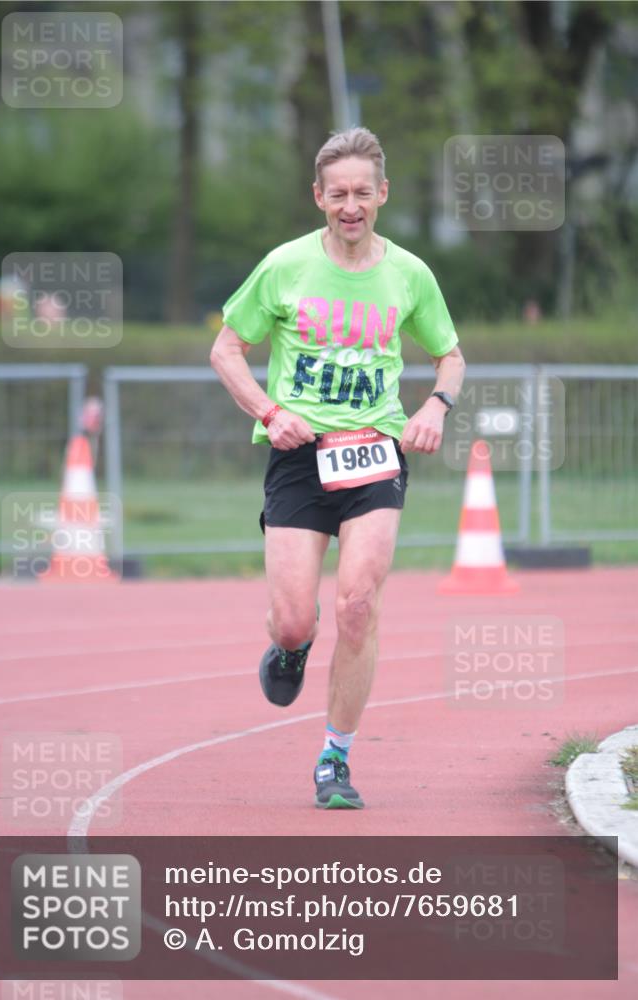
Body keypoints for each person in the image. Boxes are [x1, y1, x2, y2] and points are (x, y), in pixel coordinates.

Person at [210, 127, 465, 809]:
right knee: (295, 619)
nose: (349, 205)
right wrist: (269, 412)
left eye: (361, 192)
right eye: (337, 193)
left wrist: (435, 408)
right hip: (298, 458)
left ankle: (334, 759)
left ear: (381, 195)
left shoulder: (408, 273)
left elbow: (450, 354)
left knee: (356, 605)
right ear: (318, 197)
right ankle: (289, 648)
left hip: (375, 452)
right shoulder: (284, 266)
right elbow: (227, 349)